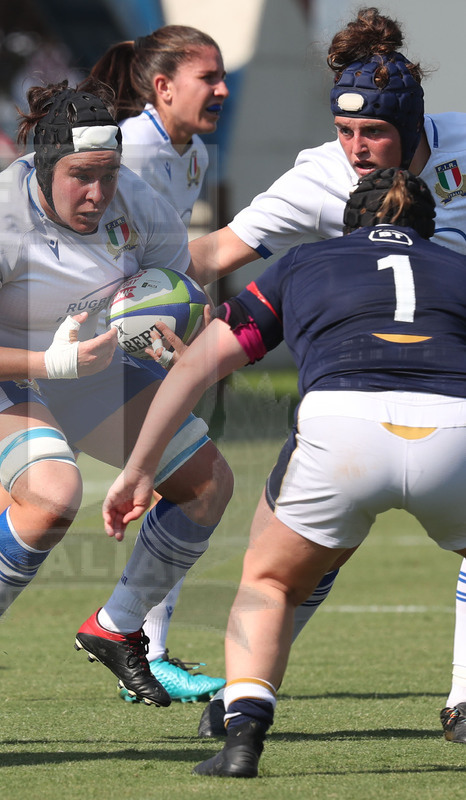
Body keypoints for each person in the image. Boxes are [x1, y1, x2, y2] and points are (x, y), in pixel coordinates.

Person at [0, 24, 230, 705]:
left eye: (108, 176)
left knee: (206, 486)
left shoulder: (134, 201)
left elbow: (179, 293)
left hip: (91, 365)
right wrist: (48, 362)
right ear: (42, 165)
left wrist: (171, 333)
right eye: (81, 178)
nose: (97, 194)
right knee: (51, 494)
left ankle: (117, 629)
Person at [104, 167, 466, 778]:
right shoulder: (456, 266)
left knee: (269, 582)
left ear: (349, 223)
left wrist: (140, 467)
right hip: (457, 427)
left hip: (341, 426)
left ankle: (242, 735)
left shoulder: (305, 263)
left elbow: (195, 369)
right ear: (431, 231)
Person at [180, 6, 466, 740]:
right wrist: (116, 286)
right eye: (344, 132)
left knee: (282, 557)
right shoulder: (318, 175)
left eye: (373, 133)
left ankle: (459, 699)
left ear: (414, 126)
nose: (358, 151)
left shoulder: (465, 142)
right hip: (378, 392)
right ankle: (230, 682)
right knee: (305, 556)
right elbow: (214, 254)